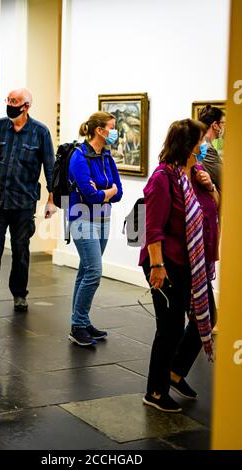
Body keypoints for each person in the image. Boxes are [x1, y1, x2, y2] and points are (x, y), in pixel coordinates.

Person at [139, 118, 219, 413]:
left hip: (193, 264)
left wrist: (210, 187)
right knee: (170, 329)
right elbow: (153, 229)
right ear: (188, 144)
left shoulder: (195, 174)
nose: (205, 144)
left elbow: (213, 208)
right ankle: (155, 392)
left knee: (207, 317)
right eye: (201, 140)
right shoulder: (162, 178)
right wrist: (157, 266)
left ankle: (174, 373)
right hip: (167, 263)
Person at [0, 88, 56, 312]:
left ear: (26, 106)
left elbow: (50, 168)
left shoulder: (40, 132)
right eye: (9, 100)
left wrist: (52, 200)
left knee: (21, 249)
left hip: (24, 201)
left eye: (15, 101)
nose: (10, 104)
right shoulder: (0, 127)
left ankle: (19, 294)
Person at [67, 112, 123, 346]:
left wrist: (105, 193)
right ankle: (78, 325)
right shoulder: (79, 157)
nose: (114, 131)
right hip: (82, 219)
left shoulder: (106, 157)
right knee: (94, 272)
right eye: (112, 127)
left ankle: (81, 320)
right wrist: (105, 192)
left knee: (85, 270)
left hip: (103, 219)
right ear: (99, 130)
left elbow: (118, 192)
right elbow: (90, 195)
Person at [198, 104, 225, 193]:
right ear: (215, 125)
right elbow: (225, 180)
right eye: (222, 123)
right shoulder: (207, 148)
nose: (223, 126)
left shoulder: (205, 145)